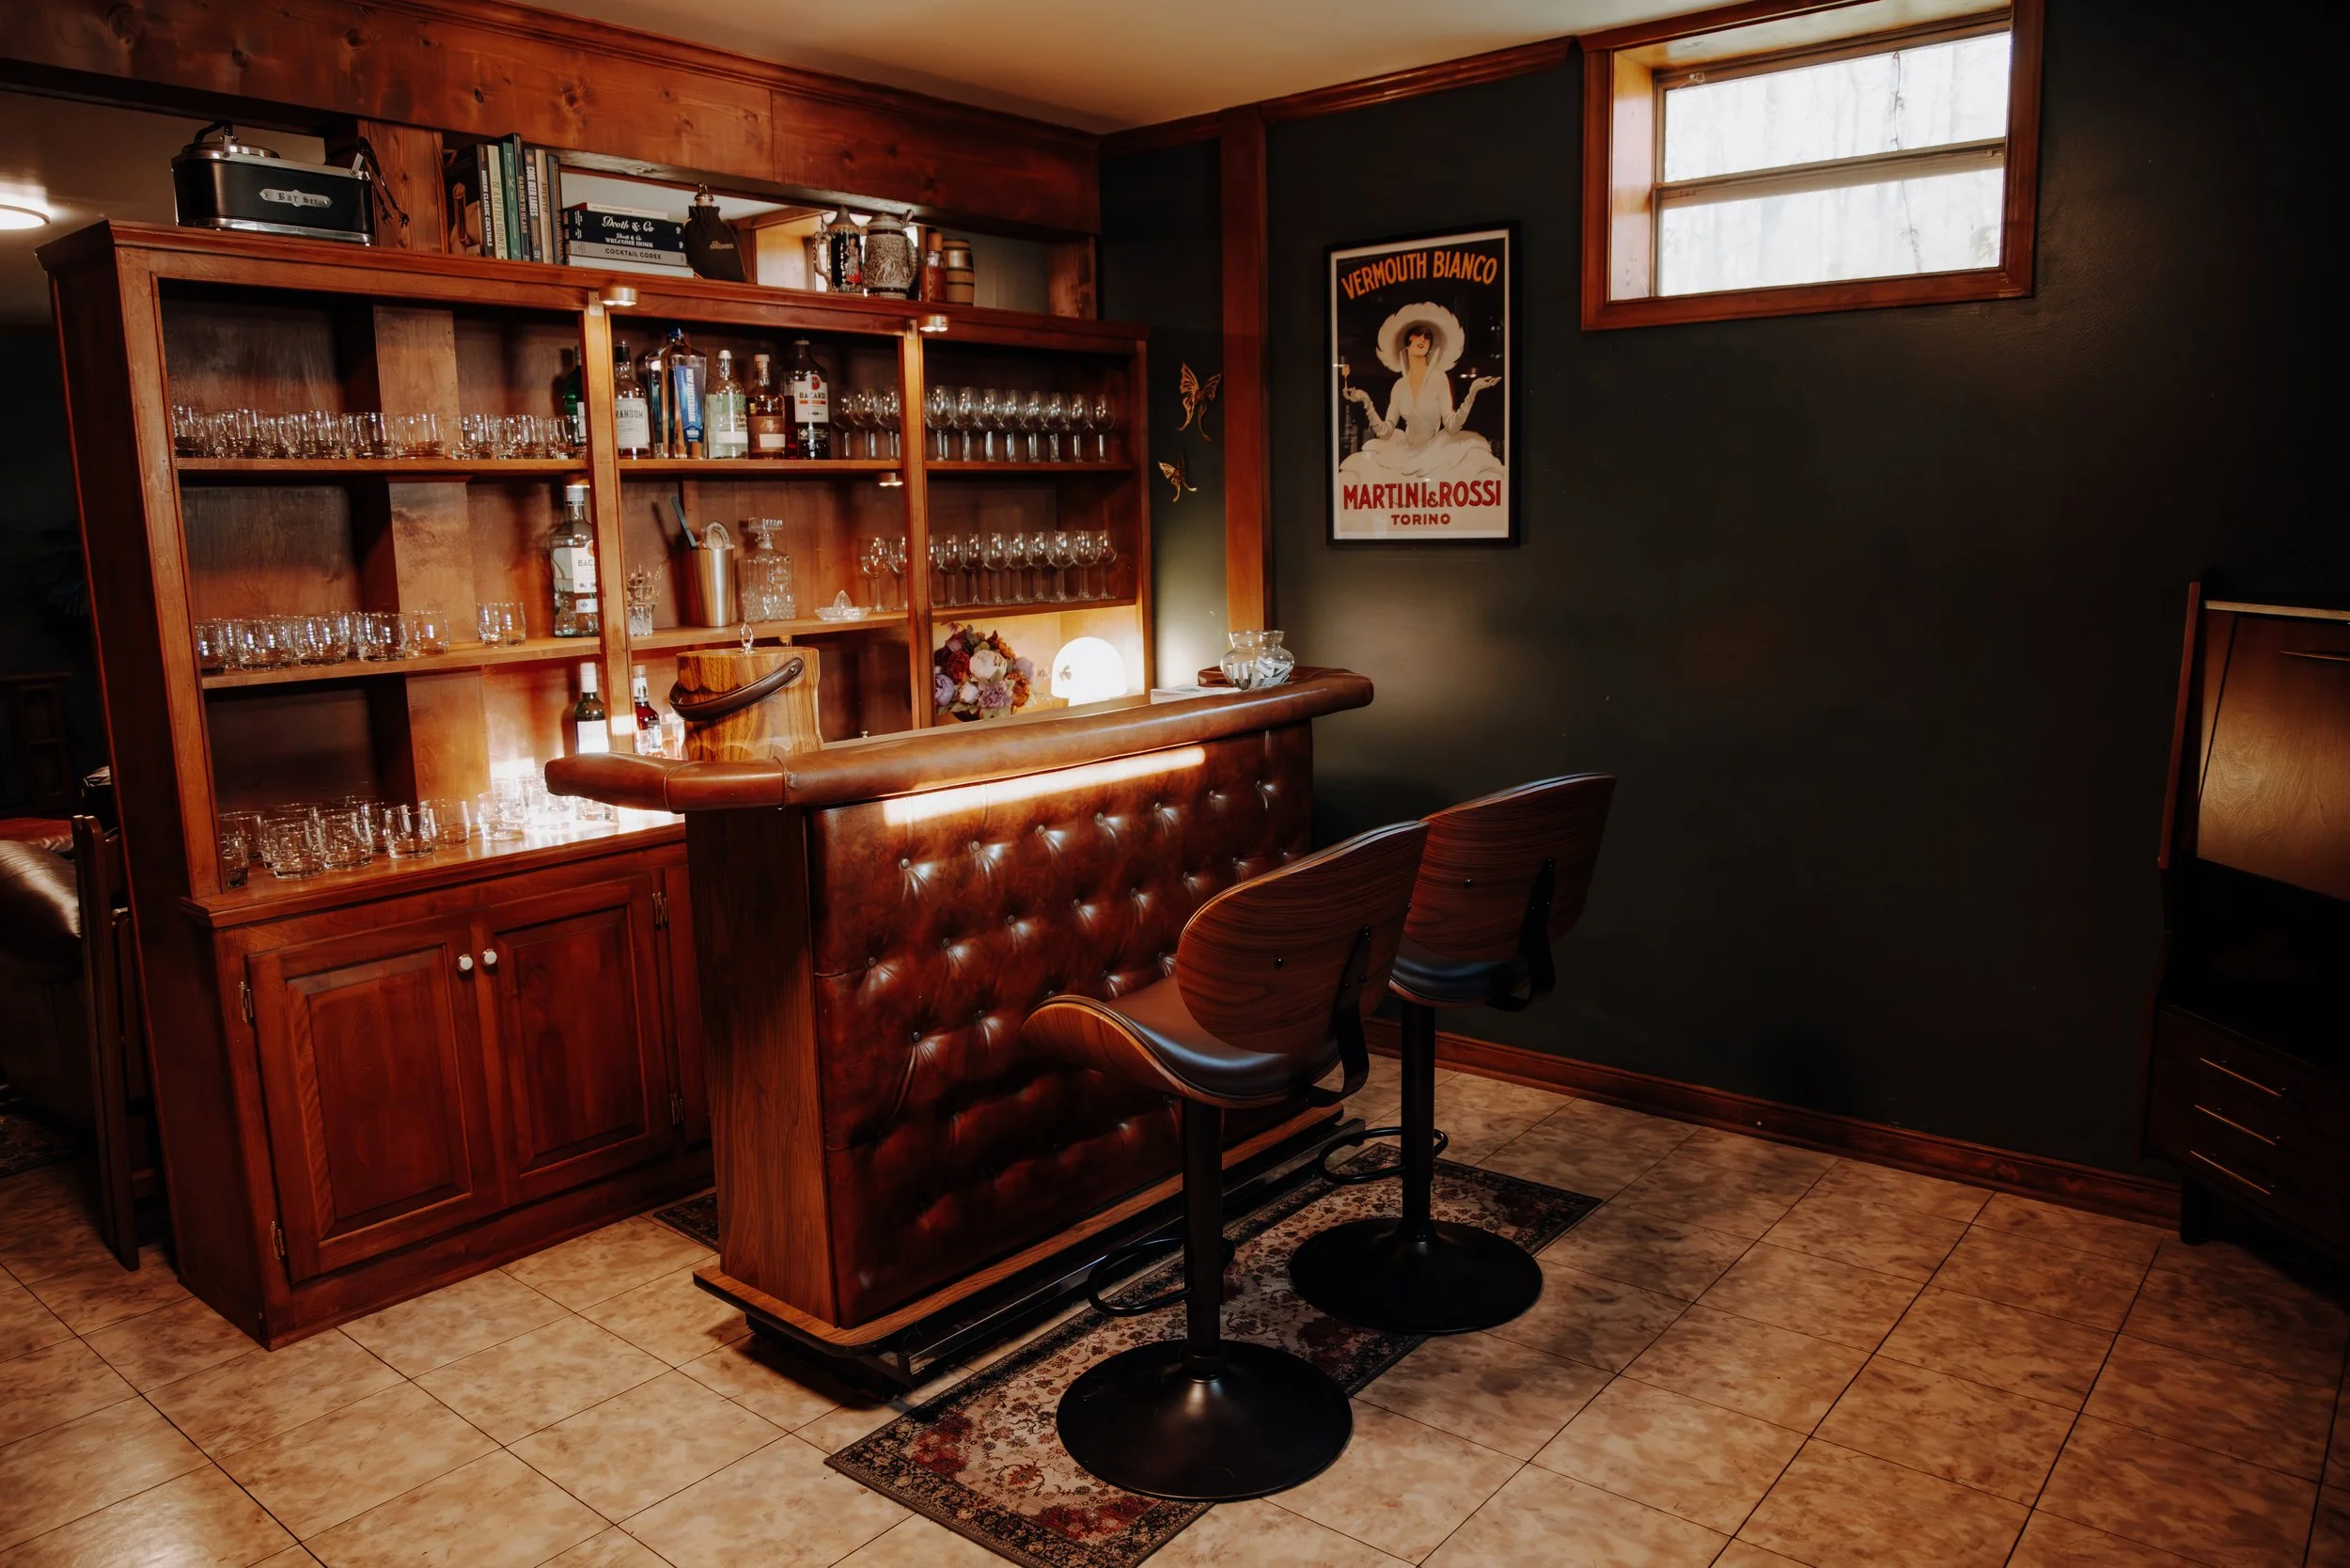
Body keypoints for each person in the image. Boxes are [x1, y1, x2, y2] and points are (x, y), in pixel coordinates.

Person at [1338, 304, 1504, 487]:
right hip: (1403, 453)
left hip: (1436, 452)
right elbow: (1385, 433)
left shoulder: (1439, 379)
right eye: (1418, 334)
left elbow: (1451, 426)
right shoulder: (1399, 386)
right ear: (1407, 342)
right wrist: (1366, 401)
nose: (1423, 339)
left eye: (1427, 336)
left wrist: (1472, 393)